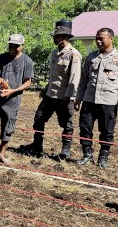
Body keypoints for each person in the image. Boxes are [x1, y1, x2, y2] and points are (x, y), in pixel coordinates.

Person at [20, 19, 81, 159]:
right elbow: (54, 75)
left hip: (64, 96)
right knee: (39, 118)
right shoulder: (55, 52)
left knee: (67, 124)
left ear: (65, 37)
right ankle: (37, 145)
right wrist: (46, 88)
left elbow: (74, 78)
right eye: (54, 36)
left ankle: (65, 150)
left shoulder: (73, 54)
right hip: (50, 94)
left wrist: (69, 97)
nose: (54, 38)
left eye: (57, 36)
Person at [74, 28, 118, 168]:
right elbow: (84, 79)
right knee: (85, 128)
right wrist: (78, 98)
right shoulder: (91, 57)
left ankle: (103, 157)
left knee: (106, 130)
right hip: (89, 99)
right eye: (97, 39)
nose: (98, 41)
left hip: (108, 100)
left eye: (102, 38)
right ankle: (87, 154)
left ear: (111, 38)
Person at [0, 34, 34, 163]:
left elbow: (28, 82)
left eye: (16, 46)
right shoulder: (1, 58)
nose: (13, 48)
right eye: (11, 45)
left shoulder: (27, 61)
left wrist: (12, 91)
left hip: (13, 100)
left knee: (8, 126)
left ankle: (1, 154)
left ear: (22, 46)